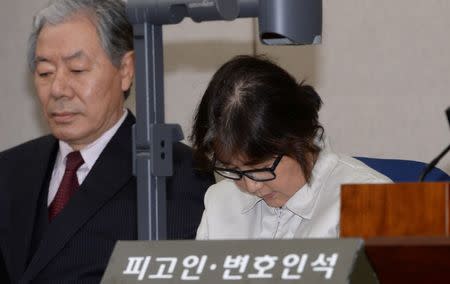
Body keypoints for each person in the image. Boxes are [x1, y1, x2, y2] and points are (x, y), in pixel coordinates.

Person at [0, 0, 214, 283]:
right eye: (45, 73)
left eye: (77, 69)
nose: (58, 89)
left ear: (125, 70)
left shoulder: (178, 174)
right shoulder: (9, 168)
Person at [191, 55, 391, 240]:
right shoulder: (219, 201)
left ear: (300, 137)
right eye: (233, 169)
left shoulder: (376, 201)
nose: (251, 186)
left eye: (260, 168)